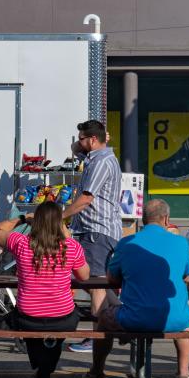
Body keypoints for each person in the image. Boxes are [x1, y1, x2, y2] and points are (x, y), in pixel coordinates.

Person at [87, 199, 189, 378]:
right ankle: (183, 374)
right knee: (188, 318)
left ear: (143, 219)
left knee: (103, 318)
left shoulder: (127, 242)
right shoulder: (181, 242)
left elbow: (112, 279)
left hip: (133, 317)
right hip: (173, 319)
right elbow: (187, 276)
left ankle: (96, 371)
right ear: (166, 219)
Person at [0, 202, 89, 378]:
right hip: (61, 318)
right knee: (66, 317)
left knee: (30, 322)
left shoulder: (22, 243)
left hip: (28, 317)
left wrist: (23, 219)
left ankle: (40, 363)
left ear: (36, 222)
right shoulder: (71, 247)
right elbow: (84, 276)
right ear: (60, 223)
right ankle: (47, 365)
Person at [62, 119, 122, 353]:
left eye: (82, 138)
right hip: (94, 230)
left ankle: (97, 336)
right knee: (94, 283)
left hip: (97, 229)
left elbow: (87, 198)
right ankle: (120, 317)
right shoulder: (95, 156)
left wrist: (62, 216)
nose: (78, 143)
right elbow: (77, 149)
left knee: (95, 283)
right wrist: (86, 139)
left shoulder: (101, 162)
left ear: (93, 140)